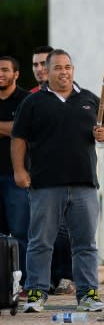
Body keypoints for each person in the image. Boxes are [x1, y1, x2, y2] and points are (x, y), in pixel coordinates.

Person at [11, 49, 104, 312]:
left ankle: (88, 294)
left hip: (84, 185)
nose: (64, 72)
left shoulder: (89, 98)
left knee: (85, 244)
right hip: (45, 185)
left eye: (68, 67)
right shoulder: (33, 102)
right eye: (58, 67)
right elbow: (18, 138)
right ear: (47, 71)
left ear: (72, 69)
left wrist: (103, 133)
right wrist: (20, 171)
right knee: (40, 242)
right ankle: (36, 293)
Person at [30, 45, 75, 295]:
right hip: (41, 178)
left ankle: (66, 277)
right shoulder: (33, 98)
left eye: (42, 64)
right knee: (41, 234)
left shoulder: (76, 97)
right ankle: (41, 281)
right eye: (35, 65)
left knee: (65, 231)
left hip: (70, 179)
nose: (39, 69)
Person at [0, 56, 30, 286]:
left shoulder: (26, 100)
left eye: (5, 70)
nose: (1, 74)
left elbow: (23, 130)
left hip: (16, 177)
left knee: (20, 233)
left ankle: (22, 284)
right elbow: (12, 128)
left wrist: (13, 129)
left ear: (16, 74)